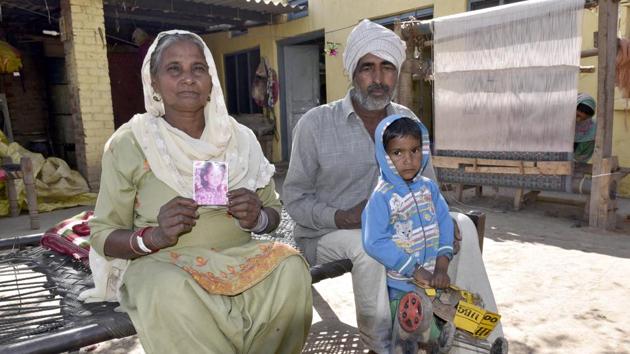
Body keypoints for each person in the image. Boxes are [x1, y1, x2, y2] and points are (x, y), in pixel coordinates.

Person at [283, 19, 503, 353]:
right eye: (367, 68)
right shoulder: (315, 124)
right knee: (368, 246)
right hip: (328, 234)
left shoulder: (408, 121)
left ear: (396, 72)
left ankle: (477, 337)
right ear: (352, 72)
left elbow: (429, 187)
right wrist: (342, 216)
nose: (378, 79)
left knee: (462, 228)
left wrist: (445, 219)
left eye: (387, 67)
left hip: (402, 228)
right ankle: (383, 345)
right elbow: (294, 199)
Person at [88, 30, 312, 354]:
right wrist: (153, 237)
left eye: (198, 68)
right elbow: (102, 234)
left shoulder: (240, 139)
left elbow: (272, 212)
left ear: (211, 79)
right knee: (169, 289)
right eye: (174, 69)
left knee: (290, 267)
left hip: (239, 258)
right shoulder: (131, 142)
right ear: (153, 81)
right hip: (166, 263)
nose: (188, 79)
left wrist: (258, 218)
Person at [362, 114, 455, 354]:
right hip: (401, 287)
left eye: (414, 150)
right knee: (410, 332)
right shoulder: (382, 197)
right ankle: (437, 341)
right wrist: (414, 269)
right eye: (398, 153)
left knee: (445, 314)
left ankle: (448, 341)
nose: (408, 160)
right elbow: (374, 241)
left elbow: (445, 221)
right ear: (384, 156)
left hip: (433, 280)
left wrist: (442, 266)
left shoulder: (428, 187)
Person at [574, 93, 597, 163]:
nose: (578, 120)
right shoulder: (560, 123)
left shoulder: (592, 131)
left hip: (576, 167)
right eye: (578, 115)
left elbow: (584, 156)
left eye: (584, 119)